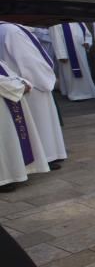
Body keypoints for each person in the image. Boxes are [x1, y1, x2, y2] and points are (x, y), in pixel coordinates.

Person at [0, 23, 66, 168]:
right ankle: (47, 156)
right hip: (31, 83)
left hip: (16, 82)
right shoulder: (12, 30)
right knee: (41, 122)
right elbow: (28, 59)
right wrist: (45, 80)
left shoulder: (6, 29)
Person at [0, 58, 50, 192]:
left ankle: (15, 172)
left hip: (8, 101)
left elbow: (11, 74)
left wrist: (24, 82)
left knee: (10, 139)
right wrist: (21, 86)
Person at [51, 22, 95, 101]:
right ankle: (75, 95)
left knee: (85, 72)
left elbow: (88, 34)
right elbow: (56, 38)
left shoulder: (79, 22)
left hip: (81, 51)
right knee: (69, 73)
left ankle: (87, 92)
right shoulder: (57, 23)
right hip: (67, 53)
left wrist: (87, 42)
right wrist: (61, 55)